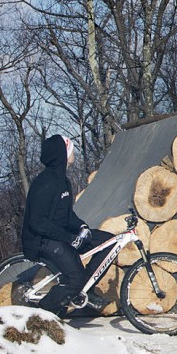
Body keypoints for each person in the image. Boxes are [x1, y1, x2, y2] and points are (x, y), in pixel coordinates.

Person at [21, 135, 109, 316]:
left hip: (60, 235)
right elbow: (37, 222)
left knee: (108, 242)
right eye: (70, 149)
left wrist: (82, 227)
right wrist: (69, 239)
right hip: (44, 240)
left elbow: (67, 216)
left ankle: (86, 288)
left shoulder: (63, 181)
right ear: (62, 154)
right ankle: (43, 314)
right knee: (75, 278)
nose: (73, 153)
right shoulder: (45, 183)